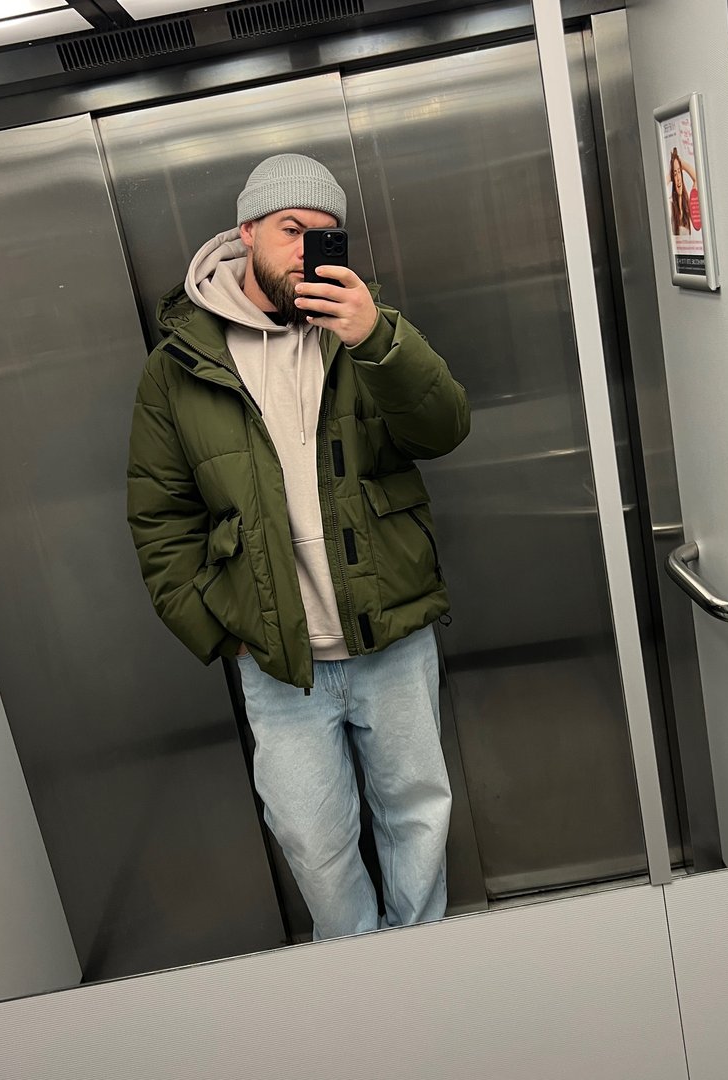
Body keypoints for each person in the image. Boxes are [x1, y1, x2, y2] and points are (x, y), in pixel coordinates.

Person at [127, 154, 470, 940]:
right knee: (315, 845)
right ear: (246, 231)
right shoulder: (178, 366)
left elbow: (444, 428)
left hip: (391, 636)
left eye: (324, 234)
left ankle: (427, 962)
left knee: (419, 816)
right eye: (291, 229)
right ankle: (354, 976)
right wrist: (226, 633)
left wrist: (377, 339)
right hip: (279, 662)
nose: (307, 249)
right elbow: (159, 518)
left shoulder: (366, 329)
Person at [668, 147, 697, 236]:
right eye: (675, 174)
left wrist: (682, 164)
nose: (678, 179)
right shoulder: (670, 206)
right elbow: (660, 188)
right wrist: (671, 173)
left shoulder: (687, 205)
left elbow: (697, 179)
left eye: (679, 172)